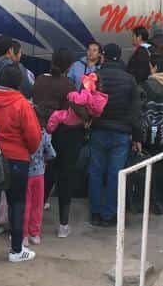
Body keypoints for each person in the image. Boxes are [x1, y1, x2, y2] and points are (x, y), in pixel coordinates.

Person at [0, 64, 42, 262]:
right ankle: (16, 250)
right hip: (17, 160)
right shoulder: (22, 104)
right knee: (17, 204)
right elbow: (34, 137)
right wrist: (26, 151)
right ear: (19, 83)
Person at [88, 43, 143, 227]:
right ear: (120, 57)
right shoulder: (129, 80)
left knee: (96, 172)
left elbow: (86, 102)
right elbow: (135, 112)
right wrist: (137, 137)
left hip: (97, 130)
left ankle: (95, 213)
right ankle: (109, 214)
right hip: (121, 134)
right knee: (115, 174)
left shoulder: (95, 77)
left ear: (103, 56)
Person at [31, 50, 78, 237]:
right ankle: (63, 226)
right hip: (62, 135)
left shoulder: (40, 80)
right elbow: (70, 112)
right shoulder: (68, 85)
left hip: (39, 133)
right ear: (68, 66)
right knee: (64, 176)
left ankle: (34, 221)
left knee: (41, 175)